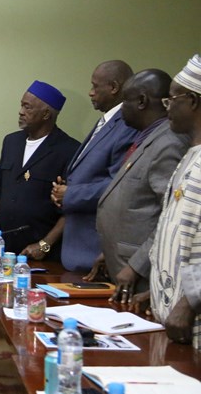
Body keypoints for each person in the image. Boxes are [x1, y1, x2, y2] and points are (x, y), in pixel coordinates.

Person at [85, 69, 189, 306]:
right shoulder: (146, 138)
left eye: (124, 101)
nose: (121, 108)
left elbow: (169, 218)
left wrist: (136, 266)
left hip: (141, 276)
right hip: (122, 265)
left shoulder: (168, 144)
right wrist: (109, 250)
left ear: (141, 101)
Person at [0, 81, 79, 261]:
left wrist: (44, 244)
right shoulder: (11, 142)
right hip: (3, 247)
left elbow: (71, 210)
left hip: (40, 252)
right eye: (21, 105)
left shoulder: (69, 150)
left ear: (46, 114)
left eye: (27, 107)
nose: (20, 111)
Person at [51, 60, 139, 271]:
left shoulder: (126, 124)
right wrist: (62, 191)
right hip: (77, 245)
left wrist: (70, 194)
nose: (90, 93)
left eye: (95, 86)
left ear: (114, 87)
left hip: (94, 247)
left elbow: (117, 185)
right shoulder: (107, 121)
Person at [149, 54, 201, 349]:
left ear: (192, 101)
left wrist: (188, 302)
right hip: (172, 316)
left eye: (171, 100)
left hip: (191, 319)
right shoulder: (189, 155)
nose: (166, 109)